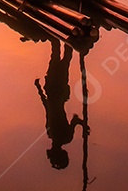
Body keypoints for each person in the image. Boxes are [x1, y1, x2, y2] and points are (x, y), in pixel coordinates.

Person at [34, 39, 85, 170]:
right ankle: (67, 38)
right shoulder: (55, 135)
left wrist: (83, 125)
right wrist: (40, 90)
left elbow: (50, 111)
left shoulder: (63, 137)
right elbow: (49, 109)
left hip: (57, 93)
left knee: (63, 60)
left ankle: (67, 38)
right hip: (54, 91)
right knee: (58, 57)